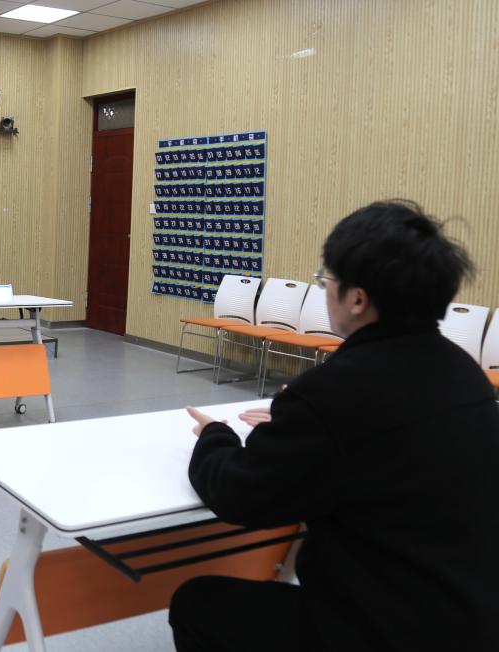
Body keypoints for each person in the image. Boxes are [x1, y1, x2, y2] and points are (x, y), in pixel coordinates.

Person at [174, 200, 499, 652]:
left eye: (326, 278)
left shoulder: (336, 390)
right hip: (469, 620)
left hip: (384, 630)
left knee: (197, 604)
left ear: (357, 299)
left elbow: (238, 495)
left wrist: (215, 435)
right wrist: (300, 422)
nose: (324, 289)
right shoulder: (466, 374)